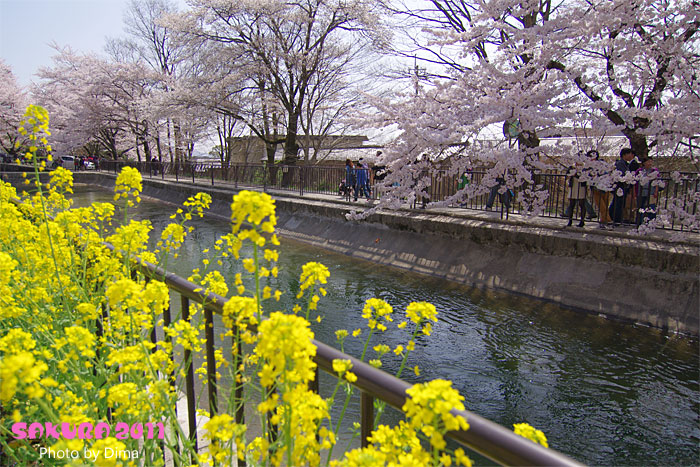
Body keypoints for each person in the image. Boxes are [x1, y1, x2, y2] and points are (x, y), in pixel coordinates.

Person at [609, 148, 635, 226]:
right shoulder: (620, 163)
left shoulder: (625, 163)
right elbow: (621, 174)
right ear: (625, 155)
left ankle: (613, 218)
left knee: (618, 203)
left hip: (623, 186)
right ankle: (616, 220)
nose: (631, 156)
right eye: (629, 154)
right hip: (620, 186)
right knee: (618, 203)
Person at [634, 157, 659, 226]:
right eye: (648, 161)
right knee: (640, 207)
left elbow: (657, 181)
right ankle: (639, 222)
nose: (650, 163)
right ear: (644, 163)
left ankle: (651, 222)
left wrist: (656, 191)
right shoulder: (639, 171)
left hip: (651, 191)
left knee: (651, 206)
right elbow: (635, 182)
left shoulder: (654, 171)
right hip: (641, 191)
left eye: (651, 161)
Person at [564, 163, 587, 228]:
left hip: (581, 186)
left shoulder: (585, 168)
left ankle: (582, 221)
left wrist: (576, 175)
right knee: (571, 204)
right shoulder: (572, 167)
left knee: (582, 204)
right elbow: (567, 174)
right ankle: (570, 221)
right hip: (573, 186)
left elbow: (584, 178)